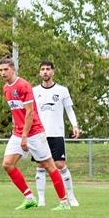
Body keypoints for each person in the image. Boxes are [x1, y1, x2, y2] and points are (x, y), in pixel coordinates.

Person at [0, 56, 70, 211]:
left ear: (13, 69)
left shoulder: (23, 85)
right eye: (0, 70)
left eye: (6, 69)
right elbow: (15, 112)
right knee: (7, 164)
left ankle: (64, 202)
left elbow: (30, 113)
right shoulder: (6, 88)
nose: (3, 73)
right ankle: (29, 197)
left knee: (49, 166)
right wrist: (16, 130)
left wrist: (24, 136)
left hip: (34, 133)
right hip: (18, 133)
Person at [32, 60, 81, 207]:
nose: (45, 72)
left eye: (48, 69)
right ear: (40, 73)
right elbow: (30, 111)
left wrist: (75, 125)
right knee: (41, 165)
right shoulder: (34, 91)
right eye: (43, 69)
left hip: (57, 133)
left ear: (53, 72)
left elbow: (69, 109)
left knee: (60, 164)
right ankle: (41, 199)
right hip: (39, 134)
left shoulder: (62, 90)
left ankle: (71, 196)